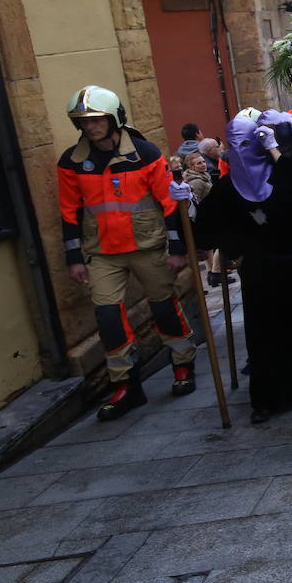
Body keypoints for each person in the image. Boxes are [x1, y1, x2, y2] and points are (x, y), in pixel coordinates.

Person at [57, 87, 195, 420]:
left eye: (97, 120)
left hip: (146, 247)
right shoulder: (72, 162)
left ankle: (183, 364)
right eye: (84, 122)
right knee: (107, 318)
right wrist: (74, 259)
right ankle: (127, 385)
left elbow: (168, 204)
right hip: (102, 251)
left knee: (163, 308)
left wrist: (177, 250)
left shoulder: (145, 154)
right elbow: (69, 212)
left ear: (114, 118)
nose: (91, 127)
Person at [193, 109, 292, 423]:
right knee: (265, 336)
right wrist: (188, 209)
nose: (242, 152)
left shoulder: (286, 171)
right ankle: (269, 397)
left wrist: (279, 152)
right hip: (261, 271)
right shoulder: (228, 188)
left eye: (247, 143)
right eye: (235, 145)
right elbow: (207, 228)